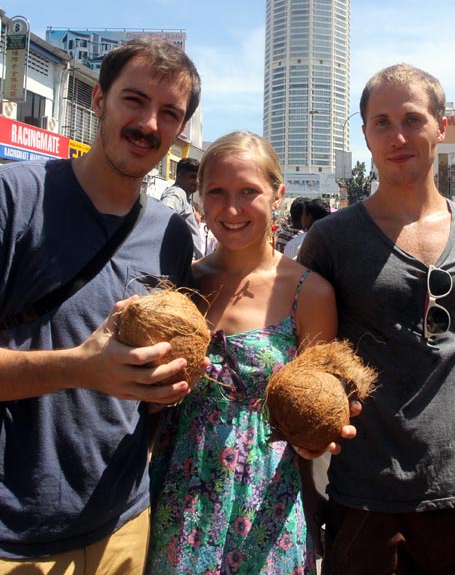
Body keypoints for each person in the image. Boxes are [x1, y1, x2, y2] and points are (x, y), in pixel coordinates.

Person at [299, 63, 455, 575]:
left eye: (412, 118)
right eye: (381, 122)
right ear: (364, 135)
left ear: (441, 126)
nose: (397, 135)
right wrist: (305, 484)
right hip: (365, 494)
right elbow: (309, 366)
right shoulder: (331, 240)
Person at [0, 37, 202, 572]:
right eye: (133, 100)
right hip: (11, 536)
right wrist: (80, 368)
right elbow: (93, 370)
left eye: (169, 113)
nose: (149, 124)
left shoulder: (172, 237)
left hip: (123, 526)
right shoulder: (14, 199)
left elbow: (153, 393)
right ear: (97, 101)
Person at [146, 131, 358, 575]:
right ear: (200, 198)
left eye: (249, 192)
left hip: (267, 503)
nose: (232, 208)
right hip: (176, 494)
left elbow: (314, 411)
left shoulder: (310, 292)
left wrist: (319, 457)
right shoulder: (182, 282)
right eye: (217, 193)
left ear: (278, 194)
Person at [161, 157, 204, 260]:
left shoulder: (184, 197)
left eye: (198, 178)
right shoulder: (176, 193)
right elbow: (163, 215)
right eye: (193, 177)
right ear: (179, 175)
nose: (196, 181)